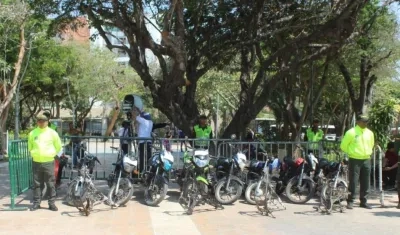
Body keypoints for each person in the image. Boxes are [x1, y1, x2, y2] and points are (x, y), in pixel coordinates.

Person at [28, 114, 62, 211]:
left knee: (50, 184)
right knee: (37, 184)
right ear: (37, 122)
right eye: (39, 121)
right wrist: (33, 153)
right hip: (36, 162)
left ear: (47, 122)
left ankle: (51, 204)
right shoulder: (32, 133)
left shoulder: (52, 133)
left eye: (43, 121)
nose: (41, 122)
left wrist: (51, 154)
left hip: (48, 162)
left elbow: (58, 146)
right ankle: (36, 203)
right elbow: (30, 146)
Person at [340, 115, 374, 209]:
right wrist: (352, 152)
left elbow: (371, 144)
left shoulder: (370, 133)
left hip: (366, 159)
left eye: (367, 121)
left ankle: (364, 201)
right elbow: (343, 146)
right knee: (353, 181)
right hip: (355, 159)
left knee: (366, 181)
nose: (366, 123)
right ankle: (350, 201)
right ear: (358, 122)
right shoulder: (351, 132)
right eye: (364, 121)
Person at [132, 108, 153, 174]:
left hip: (142, 142)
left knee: (141, 157)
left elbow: (135, 117)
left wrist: (133, 110)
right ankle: (148, 171)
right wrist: (140, 111)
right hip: (149, 142)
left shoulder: (143, 121)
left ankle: (141, 172)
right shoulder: (151, 122)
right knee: (148, 157)